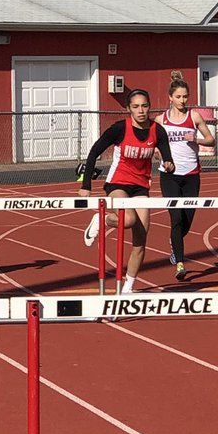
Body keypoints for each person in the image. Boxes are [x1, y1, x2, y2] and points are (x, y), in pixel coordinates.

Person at [80, 89, 174, 294]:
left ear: (149, 106)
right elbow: (94, 151)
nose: (141, 111)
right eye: (136, 107)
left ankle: (128, 287)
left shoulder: (158, 131)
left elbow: (168, 156)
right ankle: (101, 219)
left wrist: (168, 163)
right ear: (129, 109)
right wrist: (86, 185)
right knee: (128, 219)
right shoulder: (120, 129)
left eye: (145, 106)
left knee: (141, 239)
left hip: (141, 186)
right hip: (118, 183)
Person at [156, 73, 215, 281]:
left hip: (191, 175)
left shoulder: (194, 117)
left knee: (187, 220)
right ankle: (180, 263)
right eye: (179, 97)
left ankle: (175, 241)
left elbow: (211, 140)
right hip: (169, 175)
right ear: (170, 97)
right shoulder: (161, 120)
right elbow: (154, 145)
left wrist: (196, 139)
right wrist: (161, 156)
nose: (183, 101)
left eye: (185, 97)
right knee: (175, 218)